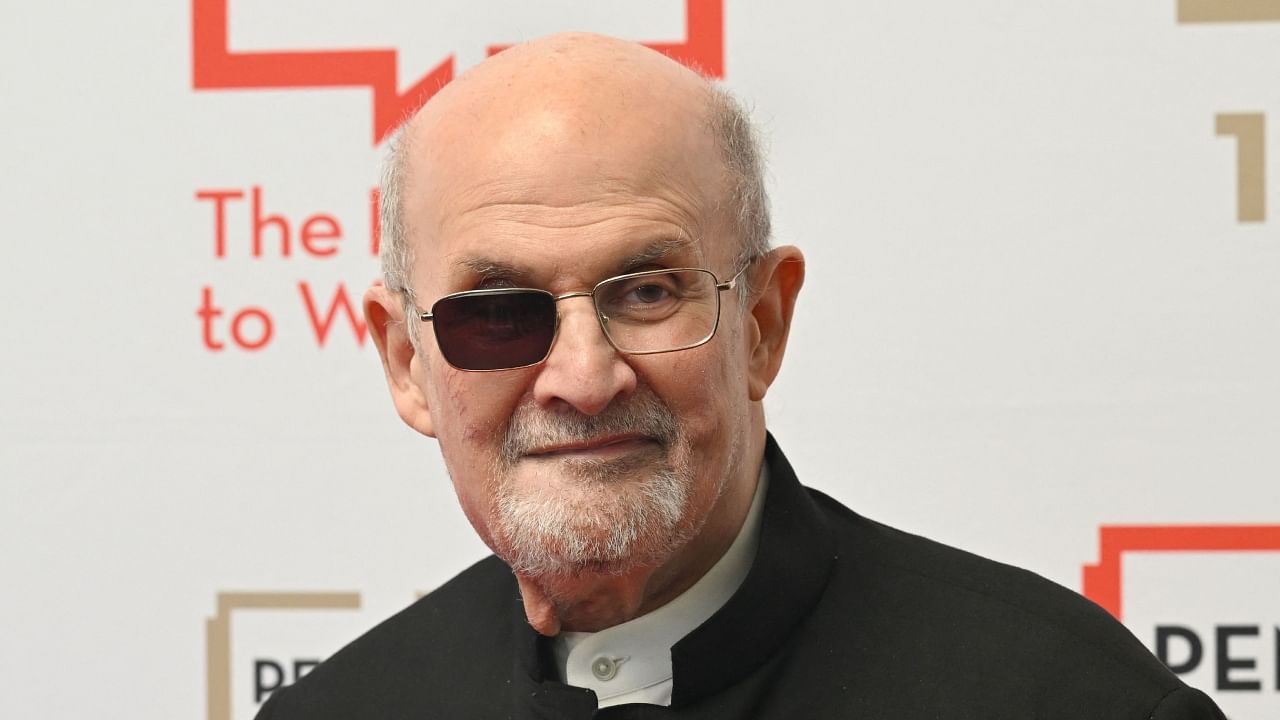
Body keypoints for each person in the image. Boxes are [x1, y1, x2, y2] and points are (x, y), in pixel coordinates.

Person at [256, 32, 1225, 719]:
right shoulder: (340, 709)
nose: (583, 380)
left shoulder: (1066, 703)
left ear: (759, 324)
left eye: (645, 292)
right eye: (498, 310)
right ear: (405, 364)